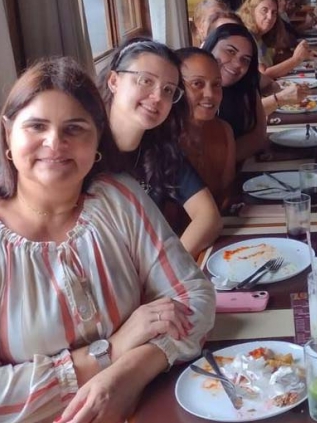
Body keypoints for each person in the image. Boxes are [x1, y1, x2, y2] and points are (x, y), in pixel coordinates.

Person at [0, 57, 215, 423]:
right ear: (8, 134)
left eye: (74, 129)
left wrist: (133, 370)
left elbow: (196, 297)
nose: (55, 143)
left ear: (97, 142)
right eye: (36, 126)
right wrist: (108, 353)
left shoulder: (118, 198)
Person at [100, 38, 222, 257]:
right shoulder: (84, 152)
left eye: (167, 90)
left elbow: (208, 216)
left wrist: (169, 267)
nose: (157, 97)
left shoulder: (160, 149)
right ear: (114, 81)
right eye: (145, 81)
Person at [176, 47, 235, 207]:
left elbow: (225, 197)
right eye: (197, 84)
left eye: (216, 84)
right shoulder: (163, 141)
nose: (210, 94)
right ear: (175, 88)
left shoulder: (223, 131)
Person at [201, 23, 268, 162]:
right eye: (230, 51)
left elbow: (258, 137)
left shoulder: (245, 86)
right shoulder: (188, 88)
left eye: (245, 60)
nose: (238, 64)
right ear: (210, 46)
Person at [237, 0, 314, 79]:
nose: (270, 17)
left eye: (274, 13)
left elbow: (274, 59)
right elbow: (263, 75)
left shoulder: (262, 36)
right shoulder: (248, 37)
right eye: (264, 10)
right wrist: (296, 59)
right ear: (251, 12)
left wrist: (304, 55)